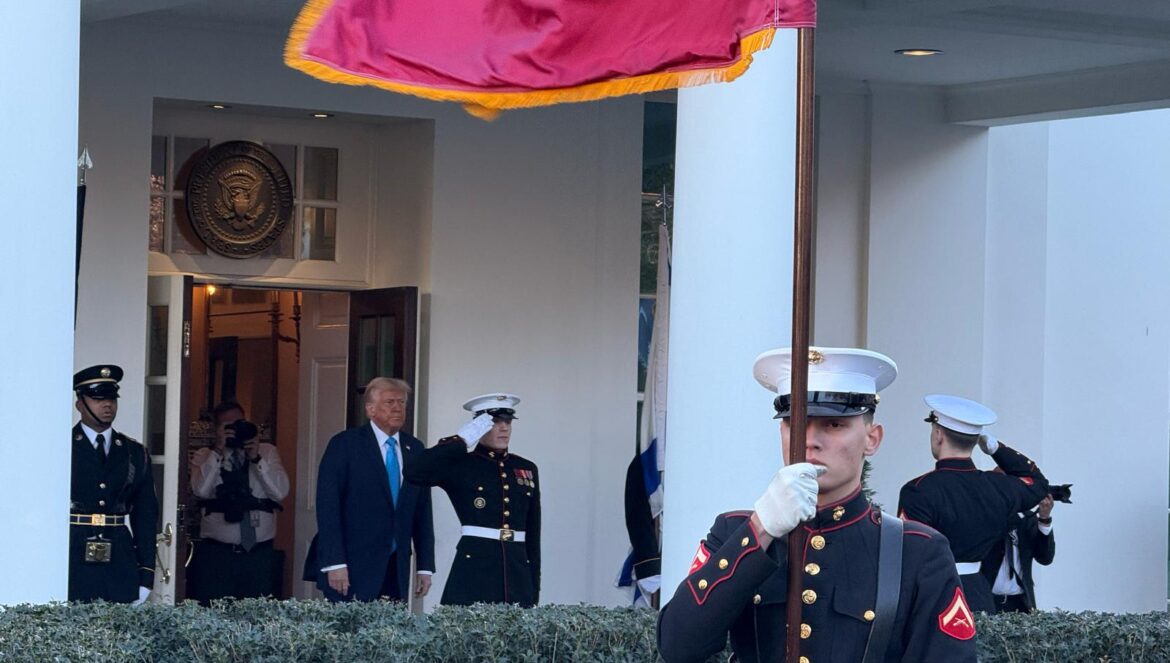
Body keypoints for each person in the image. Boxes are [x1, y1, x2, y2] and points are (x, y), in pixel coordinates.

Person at [658, 347, 977, 663]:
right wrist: (760, 529)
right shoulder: (735, 532)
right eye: (794, 423)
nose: (810, 440)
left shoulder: (918, 551)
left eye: (833, 425)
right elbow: (678, 645)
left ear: (872, 439)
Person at [897, 394, 1049, 614]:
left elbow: (911, 556)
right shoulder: (998, 487)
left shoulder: (919, 489)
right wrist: (995, 448)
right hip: (979, 595)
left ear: (938, 434)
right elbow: (1038, 482)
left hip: (935, 595)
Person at [403, 393, 542, 607]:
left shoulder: (525, 468)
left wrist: (533, 587)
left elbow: (533, 535)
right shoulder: (461, 464)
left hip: (517, 575)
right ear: (479, 426)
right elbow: (414, 472)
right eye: (495, 422)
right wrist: (460, 441)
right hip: (475, 572)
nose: (504, 428)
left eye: (507, 422)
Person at [308, 377, 435, 602]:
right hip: (351, 564)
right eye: (390, 402)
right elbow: (328, 507)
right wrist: (335, 562)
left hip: (396, 565)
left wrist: (425, 566)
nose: (397, 408)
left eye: (402, 402)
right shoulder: (345, 445)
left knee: (390, 632)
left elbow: (422, 511)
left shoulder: (414, 448)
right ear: (370, 409)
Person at [68, 364, 158, 604]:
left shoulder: (134, 452)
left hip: (119, 557)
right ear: (80, 404)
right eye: (98, 399)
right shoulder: (61, 447)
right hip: (72, 555)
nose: (107, 405)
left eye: (111, 398)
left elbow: (145, 516)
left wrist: (146, 572)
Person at [188, 400, 290, 602]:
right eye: (228, 426)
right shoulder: (205, 455)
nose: (235, 429)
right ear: (216, 430)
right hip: (218, 554)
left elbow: (280, 492)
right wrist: (218, 451)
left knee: (258, 617)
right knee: (214, 614)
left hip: (258, 553)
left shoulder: (267, 452)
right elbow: (200, 490)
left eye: (240, 423)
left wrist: (256, 458)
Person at [980, 495, 1055, 613]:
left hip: (1021, 602)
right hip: (989, 600)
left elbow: (1045, 558)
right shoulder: (985, 515)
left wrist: (1044, 518)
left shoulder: (1027, 518)